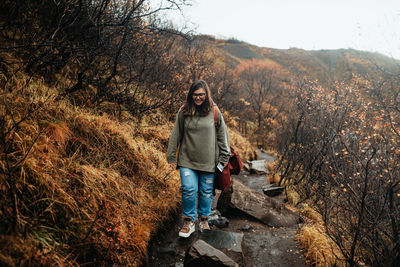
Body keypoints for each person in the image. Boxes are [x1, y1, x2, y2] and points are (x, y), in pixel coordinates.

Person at [167, 79, 230, 238]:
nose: (198, 98)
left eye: (201, 94)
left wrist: (224, 157)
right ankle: (188, 222)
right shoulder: (184, 111)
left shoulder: (214, 111)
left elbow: (223, 136)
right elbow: (176, 134)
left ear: (206, 94)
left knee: (206, 192)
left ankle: (204, 219)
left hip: (209, 162)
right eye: (195, 95)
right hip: (187, 160)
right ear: (191, 95)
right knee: (188, 189)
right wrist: (171, 156)